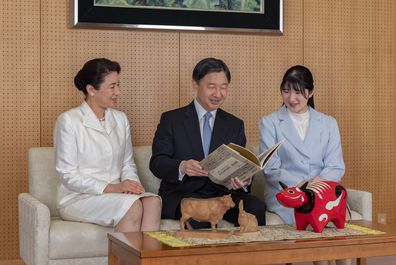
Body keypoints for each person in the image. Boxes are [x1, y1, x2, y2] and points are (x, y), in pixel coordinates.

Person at [150, 57, 266, 229]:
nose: (218, 94)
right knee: (200, 216)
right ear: (195, 85)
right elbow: (157, 163)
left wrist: (244, 180)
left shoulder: (235, 124)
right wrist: (182, 166)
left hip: (222, 195)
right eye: (211, 87)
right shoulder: (172, 120)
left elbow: (241, 166)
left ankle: (250, 256)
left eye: (223, 87)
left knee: (255, 207)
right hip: (185, 195)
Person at [54, 58, 161, 232]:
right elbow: (68, 175)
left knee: (153, 202)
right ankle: (125, 259)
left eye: (118, 85)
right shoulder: (69, 121)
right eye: (112, 86)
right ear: (91, 89)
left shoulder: (120, 119)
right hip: (79, 197)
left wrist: (131, 185)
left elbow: (127, 163)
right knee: (132, 207)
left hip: (117, 194)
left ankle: (148, 260)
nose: (118, 91)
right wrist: (113, 188)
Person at [259, 65, 350, 265]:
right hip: (287, 194)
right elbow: (271, 169)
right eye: (286, 91)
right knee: (314, 222)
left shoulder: (328, 123)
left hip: (322, 192)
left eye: (298, 92)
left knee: (340, 237)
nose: (292, 98)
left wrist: (319, 185)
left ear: (311, 92)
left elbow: (336, 166)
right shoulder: (270, 123)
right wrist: (304, 185)